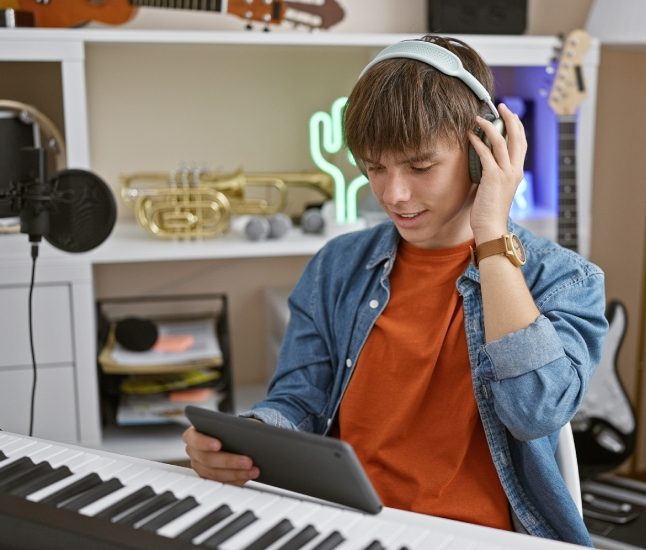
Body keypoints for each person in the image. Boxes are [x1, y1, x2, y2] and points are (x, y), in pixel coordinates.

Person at [184, 34, 608, 546]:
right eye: (375, 167)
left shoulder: (564, 279)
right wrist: (242, 437)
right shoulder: (337, 267)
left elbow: (535, 412)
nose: (393, 194)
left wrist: (492, 235)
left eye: (420, 166)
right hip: (347, 527)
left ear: (482, 154)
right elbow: (299, 402)